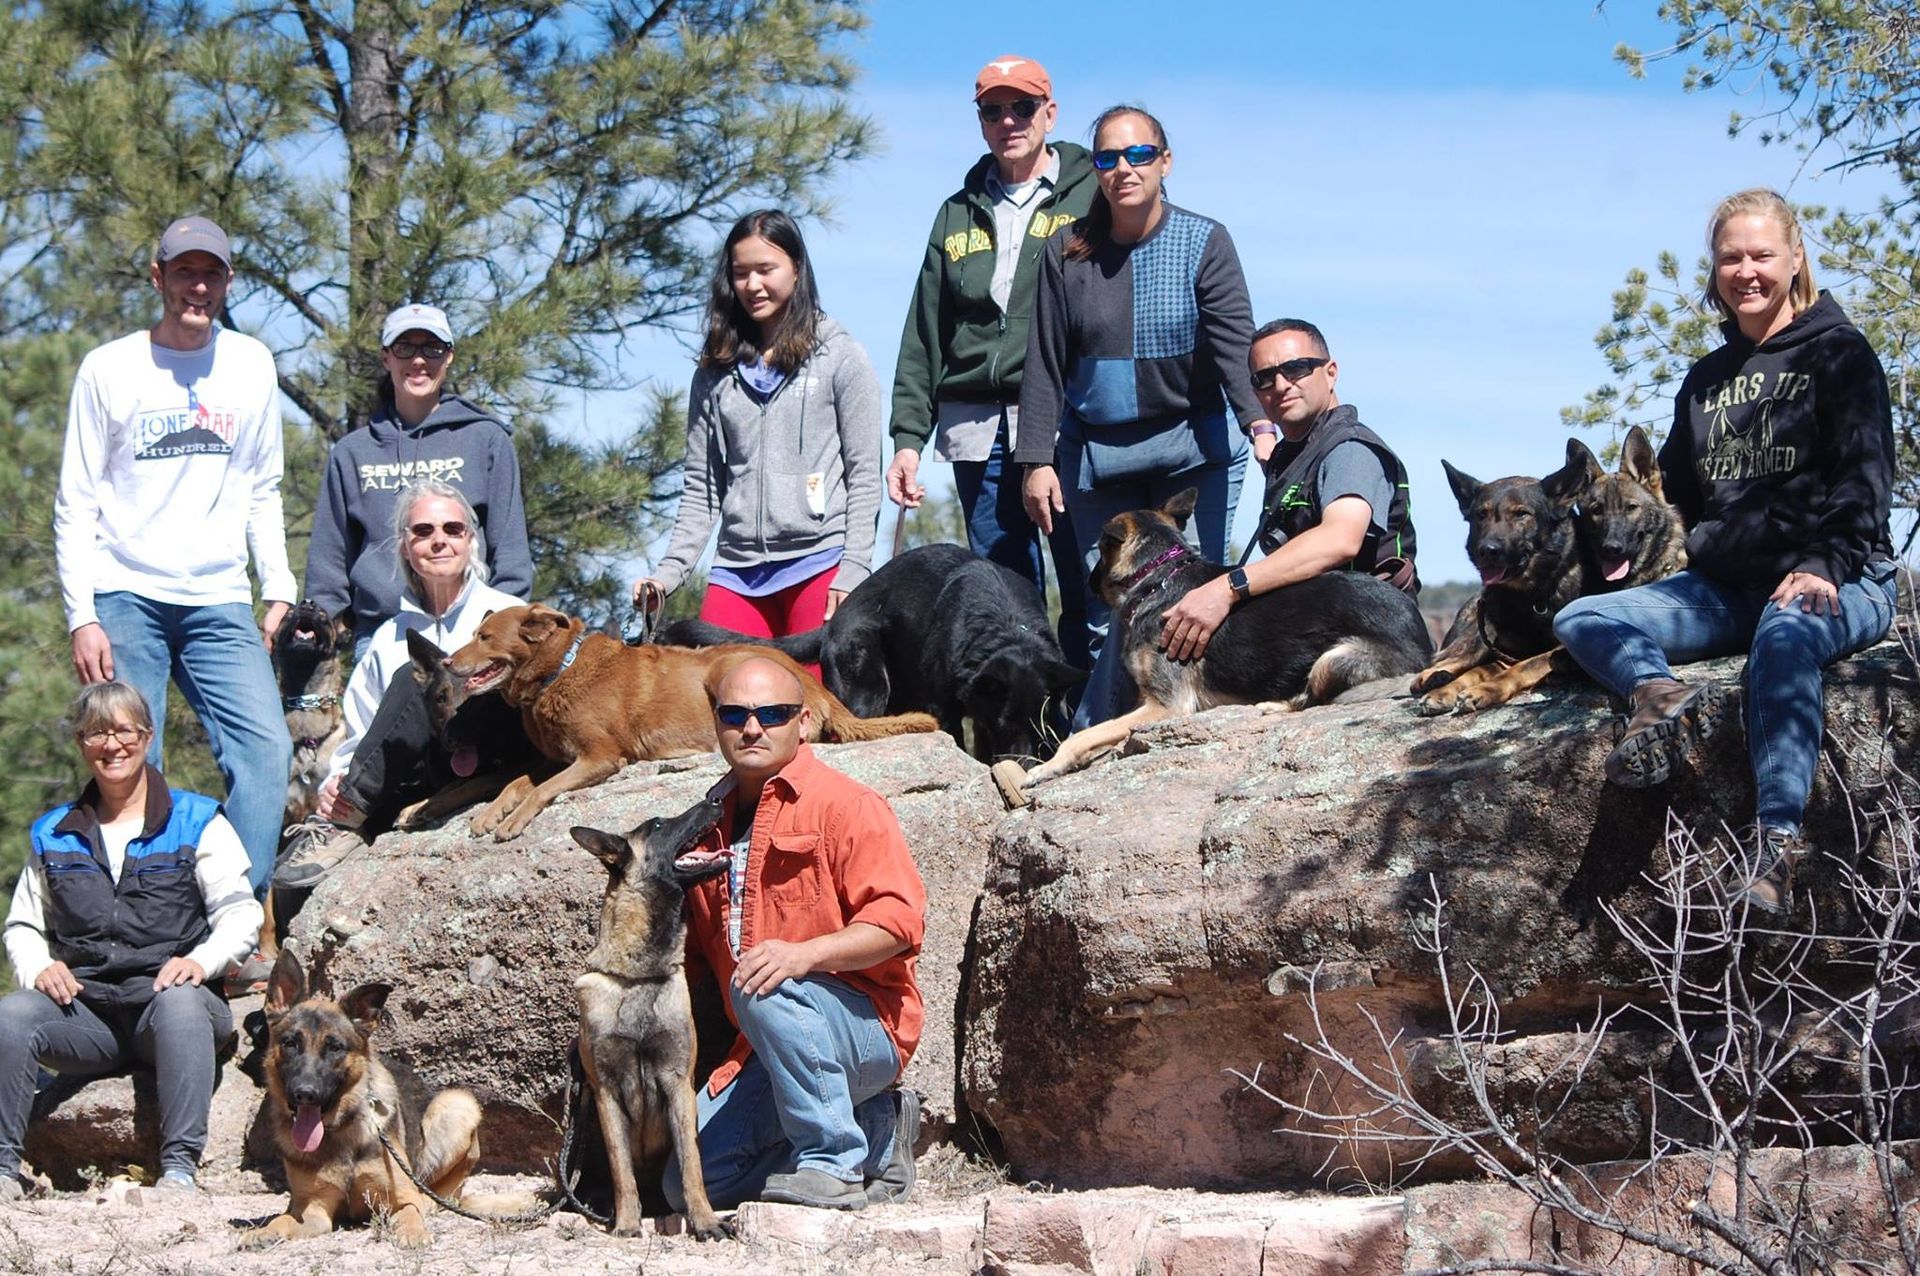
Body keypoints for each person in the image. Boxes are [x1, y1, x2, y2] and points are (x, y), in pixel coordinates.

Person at [1554, 188, 1899, 913]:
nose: (1746, 271)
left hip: (1844, 575)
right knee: (1586, 617)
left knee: (1785, 638)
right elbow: (1670, 492)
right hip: (1727, 588)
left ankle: (1775, 849)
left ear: (1795, 258)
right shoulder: (1705, 381)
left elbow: (1866, 483)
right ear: (1713, 271)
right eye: (1730, 258)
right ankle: (1658, 698)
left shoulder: (1840, 353)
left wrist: (1824, 565)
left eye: (1762, 255)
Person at [53, 214, 292, 976]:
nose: (198, 286)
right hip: (126, 593)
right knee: (125, 761)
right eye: (184, 272)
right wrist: (81, 613)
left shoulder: (251, 363)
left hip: (219, 595)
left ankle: (230, 925)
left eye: (212, 273)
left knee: (266, 754)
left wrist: (277, 583)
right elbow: (76, 501)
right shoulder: (110, 368)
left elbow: (263, 486)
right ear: (156, 277)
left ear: (226, 282)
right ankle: (127, 939)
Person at [1014, 106, 1269, 727]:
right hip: (1097, 461)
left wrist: (1261, 426)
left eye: (1138, 154)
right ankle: (1098, 755)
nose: (1123, 168)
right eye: (1107, 157)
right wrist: (1035, 461)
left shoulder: (1204, 241)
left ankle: (1190, 745)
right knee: (1109, 619)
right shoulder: (1064, 253)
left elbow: (1236, 345)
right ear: (1094, 168)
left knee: (1196, 609)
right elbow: (1043, 361)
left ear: (1165, 161)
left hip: (1195, 453)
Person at [662, 655, 925, 1212]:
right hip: (766, 1043)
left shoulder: (847, 805)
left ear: (804, 722)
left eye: (772, 714)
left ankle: (832, 1163)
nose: (752, 728)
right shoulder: (704, 824)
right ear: (716, 721)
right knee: (688, 1188)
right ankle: (878, 1131)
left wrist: (803, 955)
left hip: (864, 1027)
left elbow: (898, 923)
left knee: (767, 982)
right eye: (735, 714)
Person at [0, 682, 263, 1200]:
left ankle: (179, 1171)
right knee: (10, 1016)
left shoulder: (198, 820)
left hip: (167, 1007)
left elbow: (240, 913)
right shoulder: (52, 833)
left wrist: (202, 960)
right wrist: (36, 967)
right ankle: (3, 1170)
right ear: (81, 743)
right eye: (97, 732)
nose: (111, 744)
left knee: (183, 1004)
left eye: (123, 730)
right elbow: (24, 926)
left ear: (146, 737)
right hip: (87, 1016)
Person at [885, 55, 1097, 669]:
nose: (1009, 121)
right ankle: (1025, 730)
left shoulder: (1091, 194)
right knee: (1005, 589)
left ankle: (1086, 715)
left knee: (1082, 574)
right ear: (980, 121)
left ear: (1049, 113)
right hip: (975, 422)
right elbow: (924, 330)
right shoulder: (955, 212)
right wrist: (906, 438)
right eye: (993, 110)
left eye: (1022, 107)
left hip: (1062, 414)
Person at [635, 212, 882, 640]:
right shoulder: (714, 370)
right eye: (740, 273)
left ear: (797, 269)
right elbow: (701, 487)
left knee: (809, 702)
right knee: (725, 697)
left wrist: (855, 567)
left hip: (821, 562)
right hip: (737, 571)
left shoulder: (841, 356)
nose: (753, 285)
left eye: (766, 270)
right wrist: (667, 575)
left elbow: (864, 476)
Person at [274, 480, 523, 889]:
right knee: (288, 888)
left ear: (471, 541)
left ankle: (352, 814)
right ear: (405, 546)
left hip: (495, 758)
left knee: (418, 676)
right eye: (423, 531)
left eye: (452, 530)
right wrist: (338, 779)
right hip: (419, 776)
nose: (439, 541)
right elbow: (362, 732)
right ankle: (344, 819)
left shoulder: (508, 612)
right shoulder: (388, 637)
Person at [1159, 319, 1420, 661]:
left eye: (1296, 368)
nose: (1281, 385)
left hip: (1368, 644)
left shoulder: (1349, 449)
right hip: (1316, 631)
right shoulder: (1293, 457)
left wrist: (1227, 589)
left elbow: (1339, 539)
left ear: (1331, 372)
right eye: (1264, 378)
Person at [305, 302, 531, 658]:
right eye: (404, 348)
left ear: (449, 356)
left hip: (473, 637)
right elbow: (328, 561)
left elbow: (511, 551)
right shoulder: (352, 452)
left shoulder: (486, 440)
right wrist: (323, 629)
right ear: (386, 358)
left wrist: (502, 628)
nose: (419, 360)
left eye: (432, 348)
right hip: (382, 636)